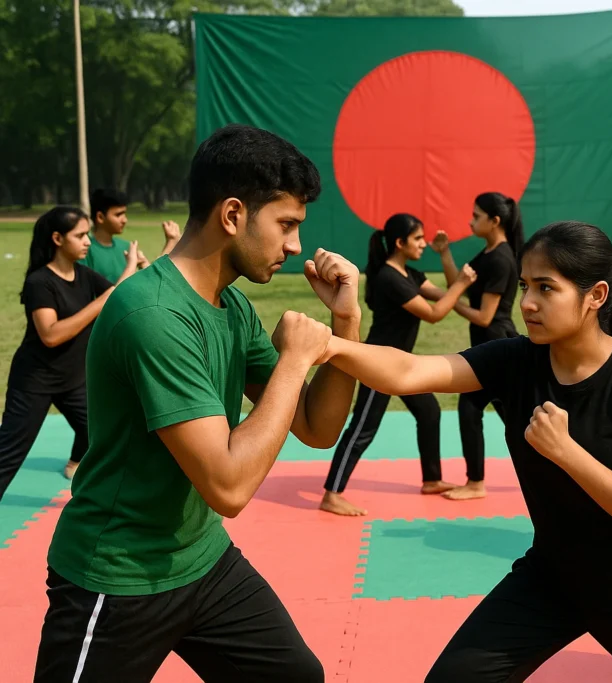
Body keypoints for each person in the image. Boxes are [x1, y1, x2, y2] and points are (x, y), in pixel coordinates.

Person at [319, 221, 612, 683]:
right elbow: (409, 372)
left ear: (595, 295)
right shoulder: (518, 359)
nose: (528, 303)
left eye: (546, 288)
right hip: (553, 577)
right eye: (524, 286)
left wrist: (568, 453)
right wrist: (336, 338)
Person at [34, 124, 362, 683]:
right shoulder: (154, 315)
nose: (296, 247)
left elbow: (316, 426)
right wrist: (293, 361)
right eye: (286, 225)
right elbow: (229, 486)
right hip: (117, 577)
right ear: (233, 215)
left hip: (201, 559)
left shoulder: (227, 306)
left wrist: (345, 322)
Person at [320, 213, 478, 516]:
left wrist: (447, 258)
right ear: (399, 243)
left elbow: (448, 296)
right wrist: (462, 285)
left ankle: (431, 479)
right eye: (418, 239)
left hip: (402, 364)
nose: (423, 244)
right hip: (377, 364)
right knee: (363, 428)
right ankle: (332, 493)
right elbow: (434, 314)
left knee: (429, 411)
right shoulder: (389, 278)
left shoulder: (411, 275)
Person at [0, 207, 138, 496]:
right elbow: (51, 335)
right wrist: (103, 300)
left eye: (87, 234)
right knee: (8, 457)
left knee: (101, 432)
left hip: (73, 380)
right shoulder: (40, 282)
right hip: (34, 382)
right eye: (79, 235)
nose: (87, 240)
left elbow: (122, 295)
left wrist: (140, 264)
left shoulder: (85, 275)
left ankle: (83, 482)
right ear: (57, 239)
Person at [432, 192, 522, 501]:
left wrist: (450, 303)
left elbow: (484, 316)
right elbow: (459, 282)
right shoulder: (487, 253)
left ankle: (476, 482)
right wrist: (445, 254)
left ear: (494, 221)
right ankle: (477, 481)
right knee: (511, 416)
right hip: (490, 345)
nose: (471, 221)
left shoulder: (501, 258)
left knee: (482, 410)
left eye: (476, 215)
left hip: (496, 344)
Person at [84, 187, 181, 282]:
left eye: (124, 214)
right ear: (100, 217)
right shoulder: (85, 251)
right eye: (118, 215)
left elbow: (150, 282)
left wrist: (170, 243)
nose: (124, 220)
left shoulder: (127, 247)